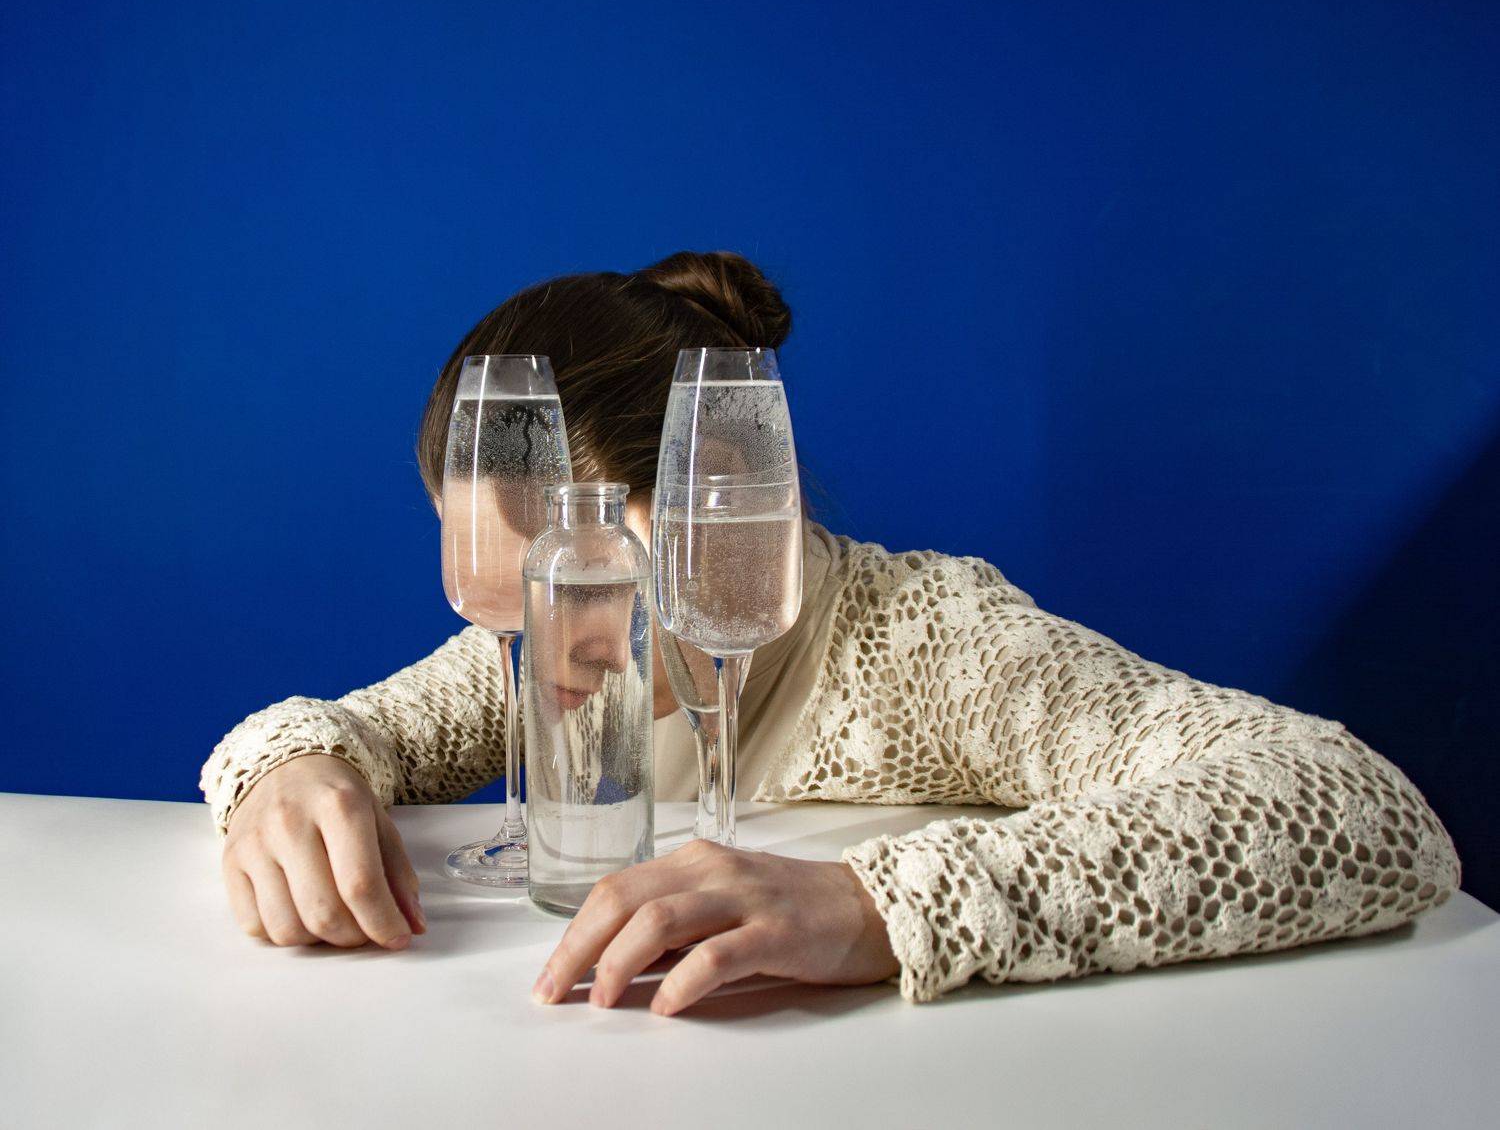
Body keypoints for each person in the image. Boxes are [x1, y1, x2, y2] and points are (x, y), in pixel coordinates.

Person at [201, 250, 1461, 1015]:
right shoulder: (545, 654)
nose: (548, 637)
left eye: (584, 568)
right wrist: (291, 773)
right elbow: (346, 731)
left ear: (727, 499)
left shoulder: (929, 640)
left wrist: (873, 905)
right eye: (509, 585)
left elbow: (1364, 810)